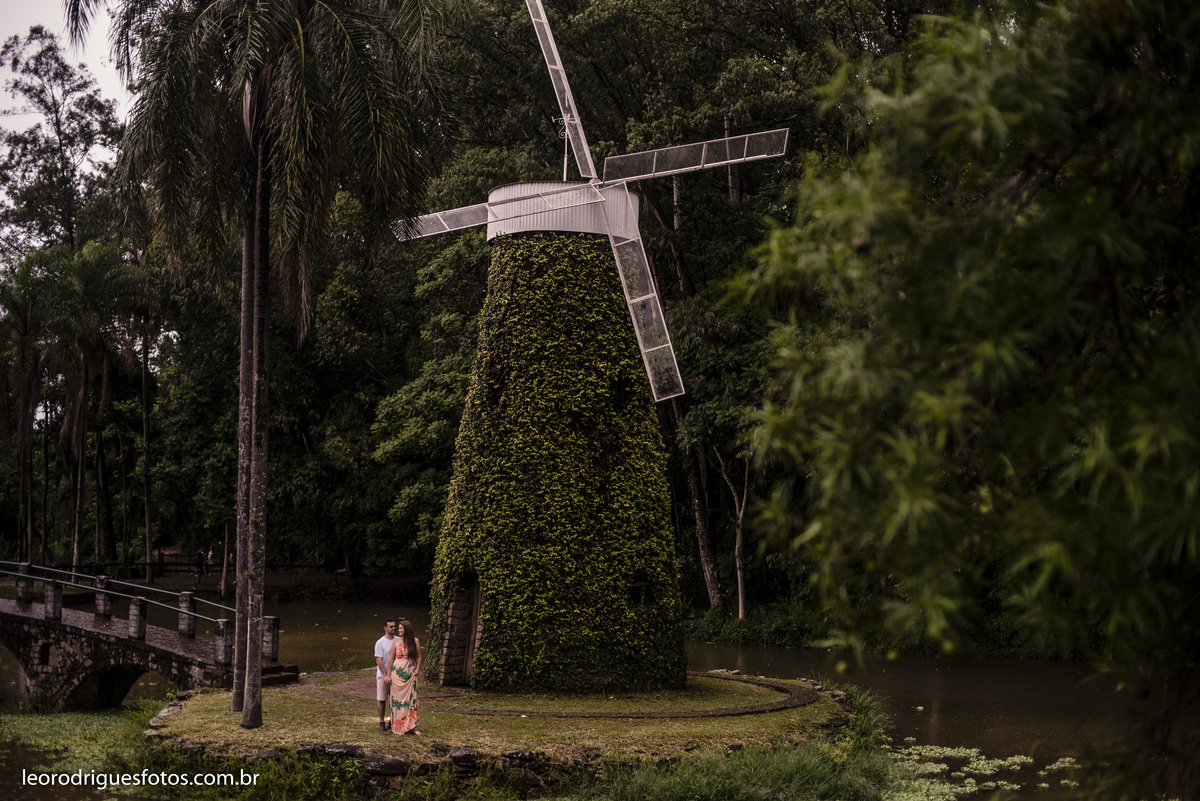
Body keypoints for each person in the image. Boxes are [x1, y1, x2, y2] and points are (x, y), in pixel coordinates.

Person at [385, 619, 422, 735]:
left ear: (406, 629)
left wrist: (417, 669)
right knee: (397, 699)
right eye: (399, 628)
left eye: (401, 628)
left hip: (410, 674)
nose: (398, 630)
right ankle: (397, 725)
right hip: (397, 674)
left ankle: (411, 727)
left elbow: (419, 656)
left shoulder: (415, 641)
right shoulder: (396, 642)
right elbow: (391, 658)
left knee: (411, 699)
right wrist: (388, 674)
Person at [374, 619, 396, 732]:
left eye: (394, 626)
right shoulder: (380, 642)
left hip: (395, 674)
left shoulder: (398, 640)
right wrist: (386, 675)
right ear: (385, 628)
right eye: (391, 626)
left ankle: (392, 721)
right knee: (382, 699)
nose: (393, 628)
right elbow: (379, 660)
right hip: (383, 674)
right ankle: (381, 721)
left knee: (393, 699)